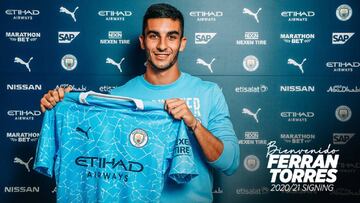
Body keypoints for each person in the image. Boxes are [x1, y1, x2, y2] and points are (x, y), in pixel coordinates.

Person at [40, 3, 239, 203]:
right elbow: (96, 152)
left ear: (182, 42)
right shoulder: (118, 98)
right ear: (143, 42)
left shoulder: (208, 93)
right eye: (154, 36)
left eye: (171, 36)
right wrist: (61, 104)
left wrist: (194, 124)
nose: (162, 45)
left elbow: (230, 163)